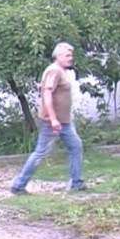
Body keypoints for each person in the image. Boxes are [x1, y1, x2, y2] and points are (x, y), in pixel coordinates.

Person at [10, 42, 86, 195]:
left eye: (71, 55)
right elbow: (46, 94)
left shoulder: (62, 71)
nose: (70, 58)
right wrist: (53, 119)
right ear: (57, 56)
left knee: (76, 146)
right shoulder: (54, 71)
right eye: (67, 55)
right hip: (52, 121)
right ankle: (18, 185)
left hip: (65, 121)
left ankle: (77, 182)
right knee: (40, 153)